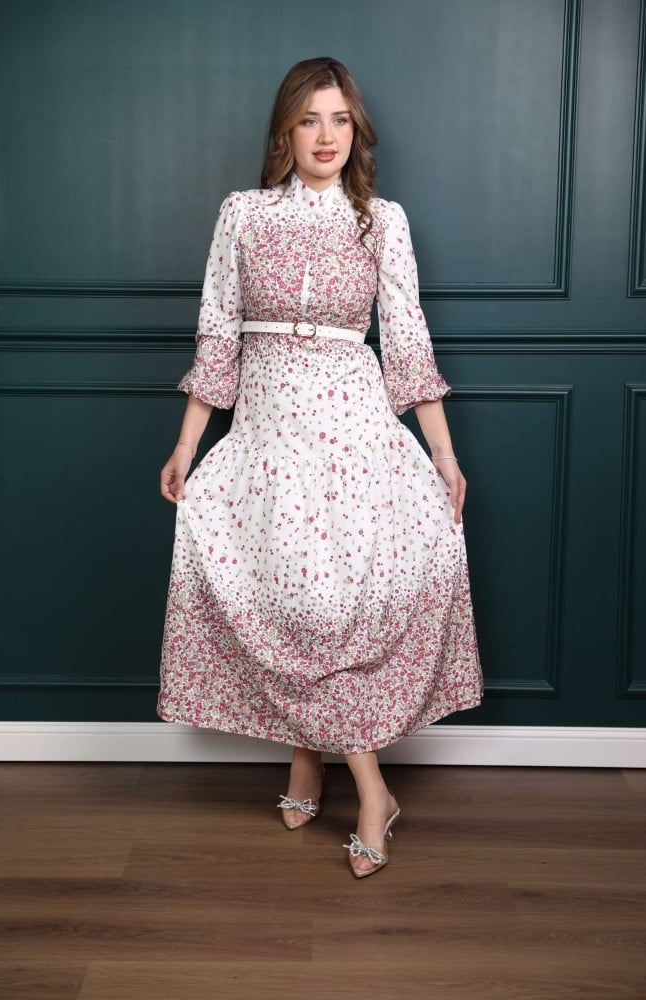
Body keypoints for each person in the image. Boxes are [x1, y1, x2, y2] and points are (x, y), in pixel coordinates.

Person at [158, 57, 482, 878]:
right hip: (269, 440)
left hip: (353, 439)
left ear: (355, 131)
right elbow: (218, 332)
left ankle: (369, 790)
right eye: (310, 119)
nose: (326, 136)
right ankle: (310, 760)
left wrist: (444, 456)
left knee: (332, 609)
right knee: (290, 601)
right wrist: (187, 446)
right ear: (285, 131)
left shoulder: (383, 222)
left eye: (340, 120)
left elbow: (406, 341)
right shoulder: (243, 215)